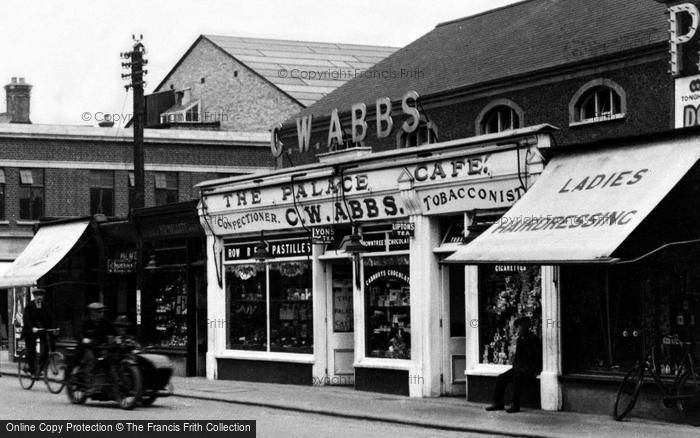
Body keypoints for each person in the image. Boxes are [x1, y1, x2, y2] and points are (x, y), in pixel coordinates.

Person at [486, 317, 541, 413]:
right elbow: (517, 356)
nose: (518, 328)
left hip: (528, 368)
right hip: (519, 367)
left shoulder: (533, 339)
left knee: (517, 378)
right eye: (518, 326)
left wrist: (535, 370)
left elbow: (537, 356)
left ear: (526, 326)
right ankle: (498, 403)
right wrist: (515, 366)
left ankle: (515, 405)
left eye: (520, 326)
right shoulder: (520, 339)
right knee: (501, 378)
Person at [78, 302, 116, 388]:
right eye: (99, 312)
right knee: (91, 359)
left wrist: (115, 338)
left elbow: (112, 331)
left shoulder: (105, 322)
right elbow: (79, 333)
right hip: (87, 347)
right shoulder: (85, 321)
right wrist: (84, 339)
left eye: (102, 312)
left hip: (100, 346)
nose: (101, 314)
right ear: (92, 312)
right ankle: (86, 378)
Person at [22, 288, 54, 377]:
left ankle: (40, 366)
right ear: (34, 296)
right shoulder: (29, 305)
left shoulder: (46, 305)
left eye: (41, 296)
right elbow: (26, 319)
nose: (39, 297)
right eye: (37, 296)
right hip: (30, 331)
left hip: (41, 329)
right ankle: (33, 371)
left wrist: (54, 328)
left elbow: (51, 317)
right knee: (32, 350)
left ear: (43, 297)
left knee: (50, 345)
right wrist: (32, 328)